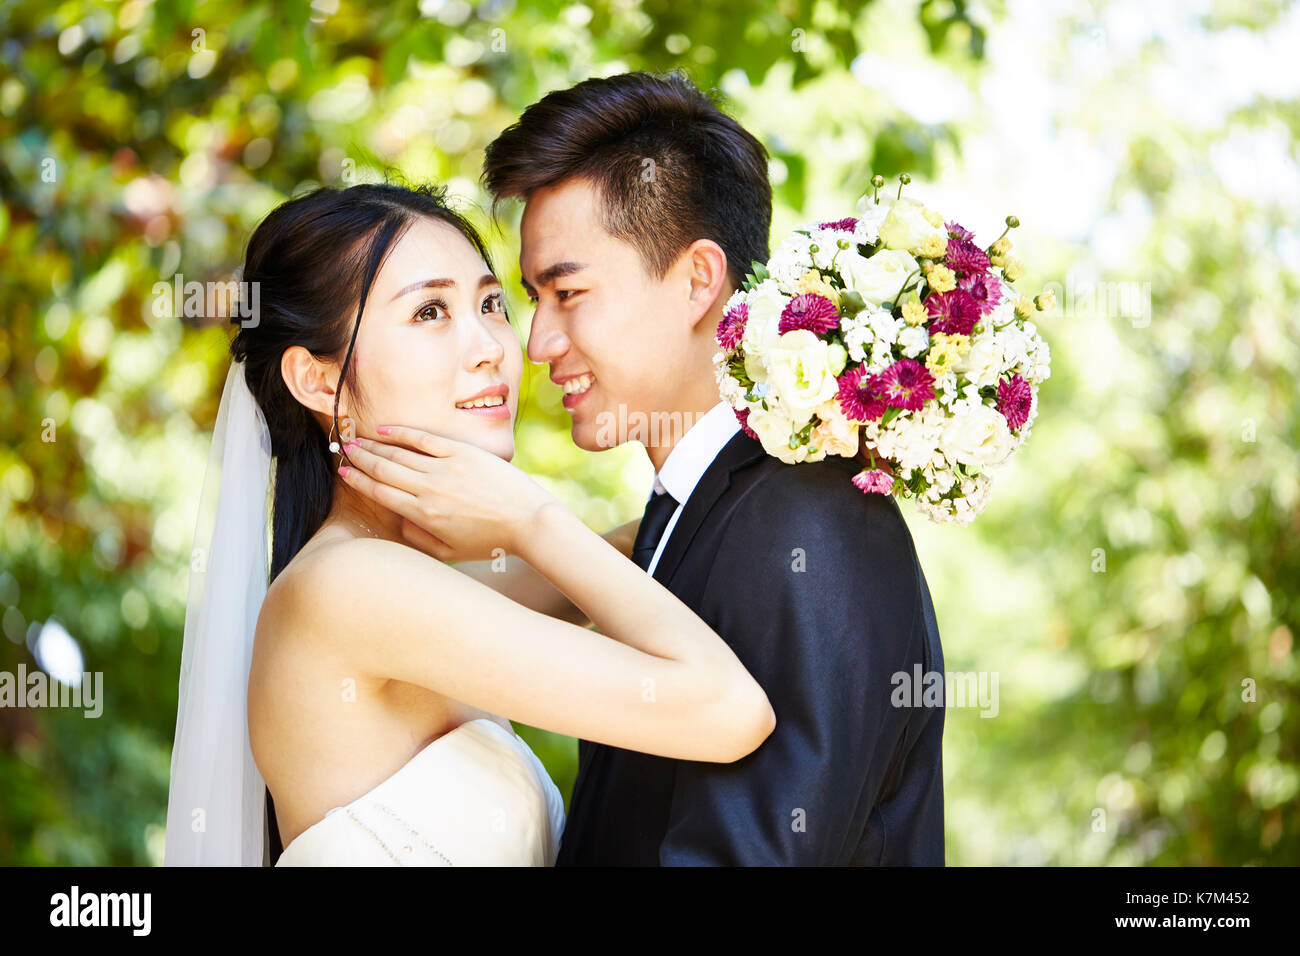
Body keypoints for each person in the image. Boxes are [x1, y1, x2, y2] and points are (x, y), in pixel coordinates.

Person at [359, 71, 947, 865]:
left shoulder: (811, 519)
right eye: (534, 299)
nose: (537, 345)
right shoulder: (686, 515)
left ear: (697, 279)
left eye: (568, 293)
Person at [162, 182, 775, 867]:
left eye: (489, 303)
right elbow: (729, 710)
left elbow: (647, 545)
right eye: (429, 311)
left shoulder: (412, 583)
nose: (490, 345)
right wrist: (528, 517)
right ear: (313, 380)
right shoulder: (348, 586)